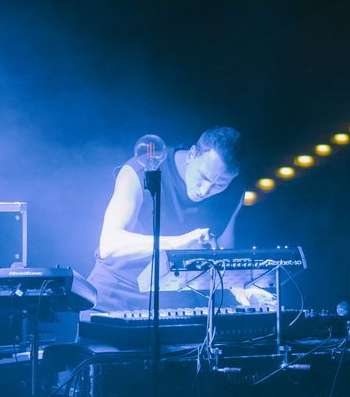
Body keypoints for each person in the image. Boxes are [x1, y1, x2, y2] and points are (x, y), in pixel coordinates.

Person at [87, 126, 275, 311]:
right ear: (192, 154)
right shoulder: (141, 169)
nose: (205, 190)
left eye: (219, 184)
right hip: (115, 294)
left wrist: (244, 289)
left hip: (175, 300)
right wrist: (181, 243)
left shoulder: (234, 193)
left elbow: (222, 253)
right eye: (203, 177)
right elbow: (109, 245)